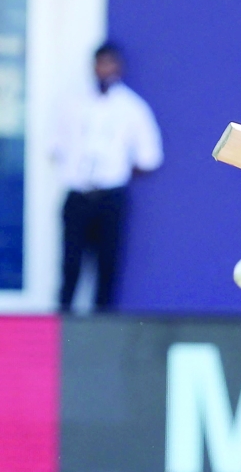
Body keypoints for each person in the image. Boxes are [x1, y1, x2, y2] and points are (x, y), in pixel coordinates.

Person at [51, 42, 163, 312]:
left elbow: (149, 158)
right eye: (101, 63)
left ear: (120, 68)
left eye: (111, 64)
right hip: (78, 194)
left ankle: (102, 328)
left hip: (111, 197)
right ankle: (62, 324)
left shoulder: (132, 108)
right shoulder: (71, 103)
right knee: (70, 263)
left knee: (107, 265)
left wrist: (114, 173)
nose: (106, 69)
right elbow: (53, 147)